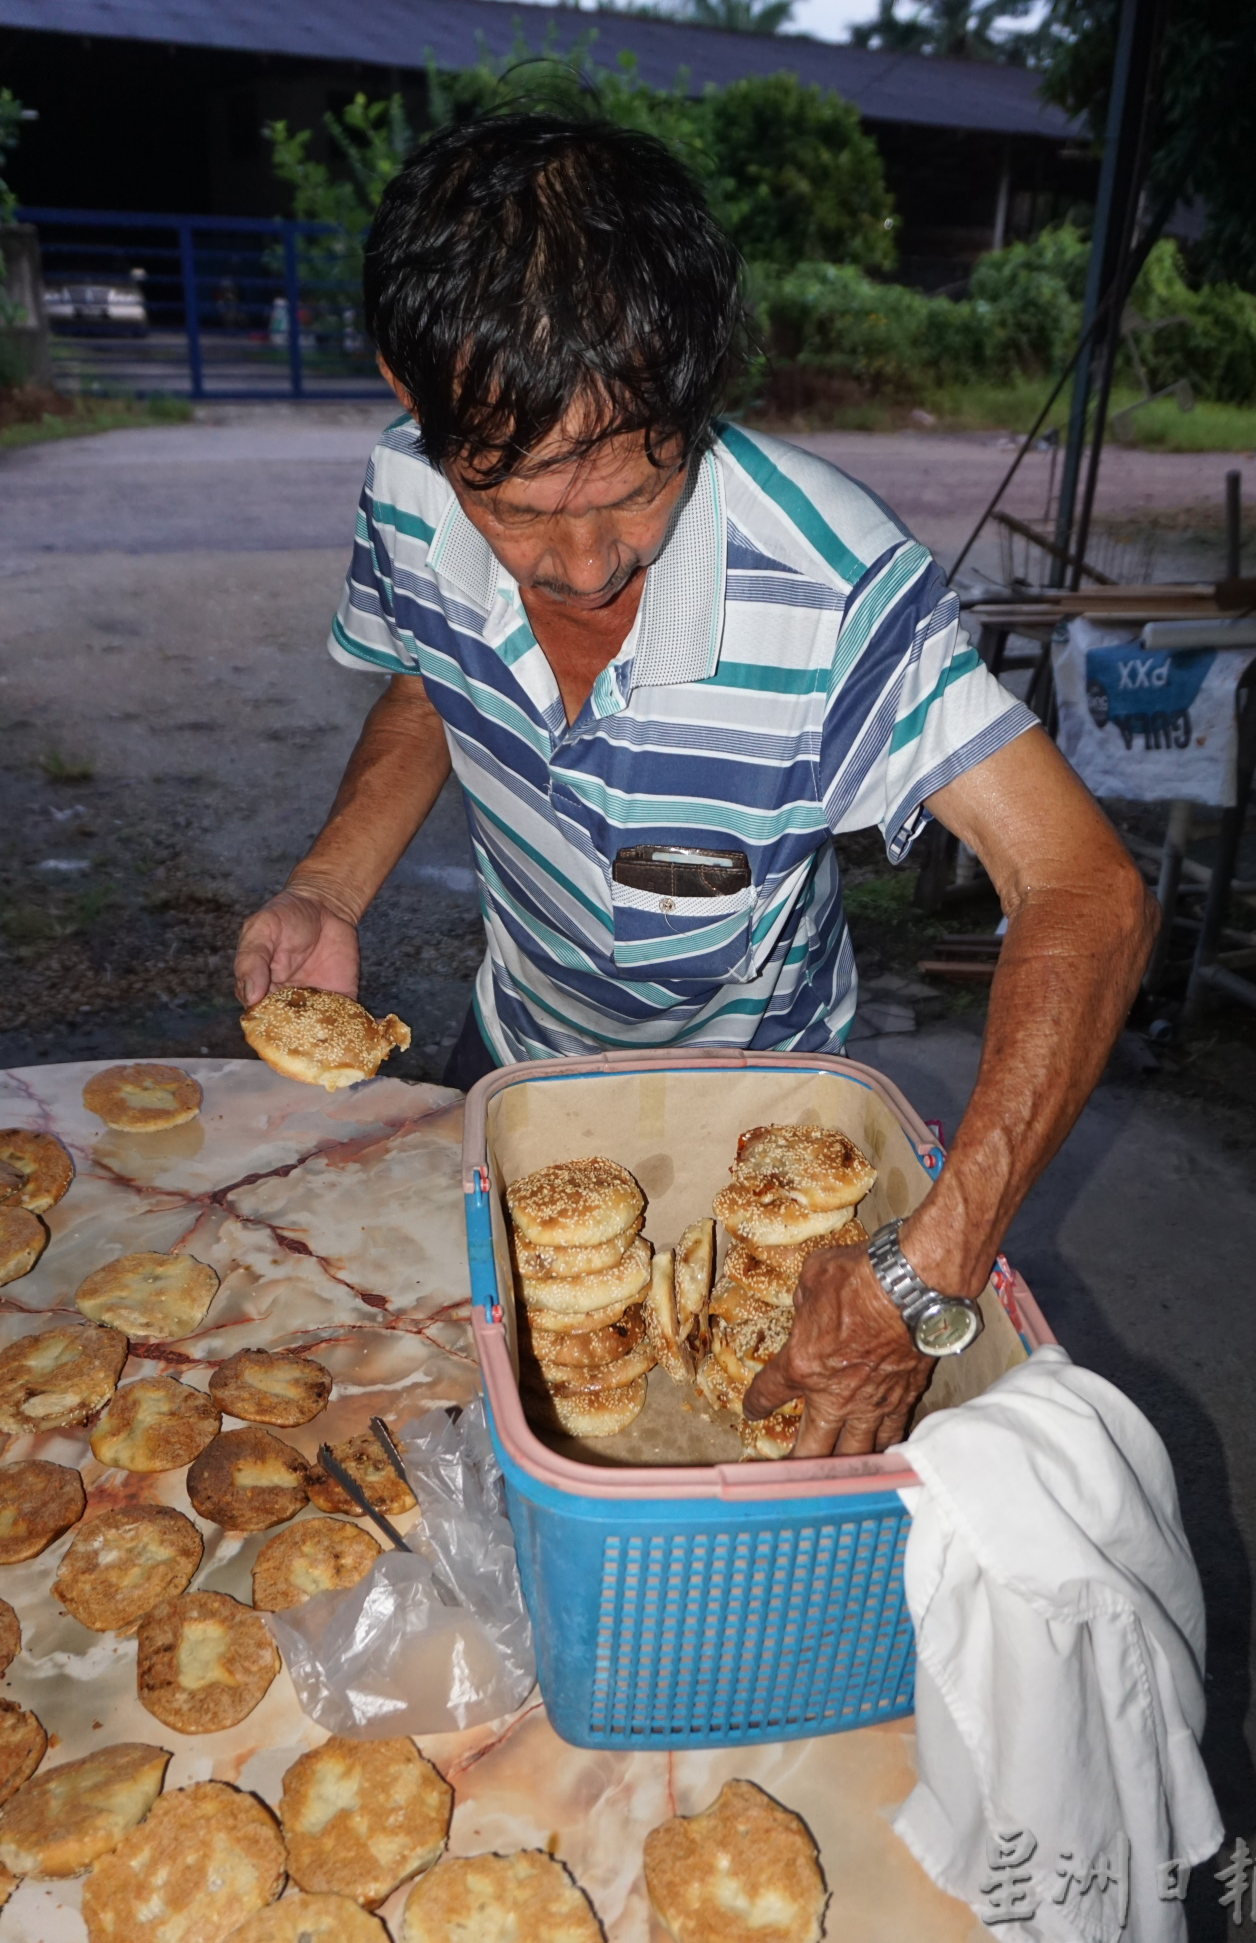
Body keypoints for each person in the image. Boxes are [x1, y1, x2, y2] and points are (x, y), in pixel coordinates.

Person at [234, 114, 1155, 1458]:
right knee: (456, 1415)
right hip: (517, 1056)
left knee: (744, 1457)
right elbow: (427, 683)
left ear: (693, 395)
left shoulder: (835, 585)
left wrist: (927, 1267)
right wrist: (331, 884)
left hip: (764, 1122)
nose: (585, 565)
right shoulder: (402, 493)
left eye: (637, 491)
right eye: (520, 509)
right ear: (407, 392)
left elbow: (1089, 891)